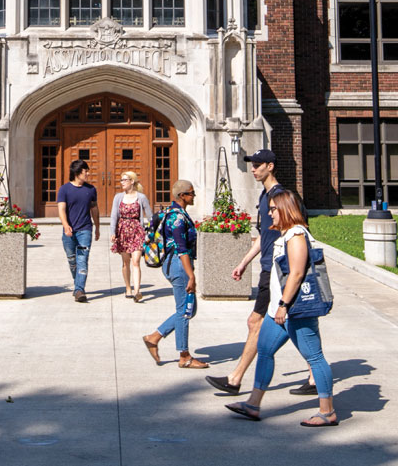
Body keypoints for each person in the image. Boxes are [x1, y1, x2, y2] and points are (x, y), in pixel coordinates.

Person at [225, 188, 338, 427]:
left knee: (314, 356)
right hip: (279, 312)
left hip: (295, 310)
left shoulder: (296, 234)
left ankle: (327, 411)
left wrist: (284, 305)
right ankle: (253, 404)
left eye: (274, 209)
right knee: (265, 350)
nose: (270, 213)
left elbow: (296, 274)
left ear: (285, 209)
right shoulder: (284, 235)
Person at [206, 149, 315, 395]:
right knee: (296, 324)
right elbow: (263, 237)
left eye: (257, 164)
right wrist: (244, 262)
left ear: (270, 166)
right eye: (252, 164)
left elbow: (298, 229)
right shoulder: (265, 197)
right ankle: (314, 375)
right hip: (268, 266)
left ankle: (235, 379)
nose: (253, 168)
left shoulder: (282, 198)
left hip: (278, 269)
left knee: (258, 322)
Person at [142, 180, 209, 369]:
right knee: (184, 311)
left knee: (189, 309)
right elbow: (181, 250)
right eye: (191, 193)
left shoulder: (171, 213)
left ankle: (153, 338)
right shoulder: (177, 219)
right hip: (179, 266)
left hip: (174, 265)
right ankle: (184, 356)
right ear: (182, 196)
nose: (193, 196)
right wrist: (192, 276)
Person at [57, 159, 100, 302]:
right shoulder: (64, 189)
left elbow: (94, 209)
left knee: (82, 259)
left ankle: (79, 290)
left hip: (85, 230)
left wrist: (97, 227)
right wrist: (65, 225)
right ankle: (78, 284)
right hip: (69, 231)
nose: (88, 173)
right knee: (72, 260)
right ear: (77, 172)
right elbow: (61, 209)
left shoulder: (91, 190)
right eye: (85, 171)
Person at [110, 171, 152, 302]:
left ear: (132, 181)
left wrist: (150, 233)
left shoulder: (141, 197)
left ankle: (137, 291)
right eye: (121, 180)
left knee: (136, 261)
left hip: (137, 231)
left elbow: (150, 217)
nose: (122, 182)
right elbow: (113, 216)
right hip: (122, 231)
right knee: (125, 262)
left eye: (125, 180)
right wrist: (113, 233)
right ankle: (128, 287)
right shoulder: (118, 197)